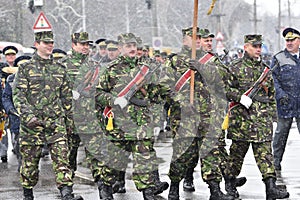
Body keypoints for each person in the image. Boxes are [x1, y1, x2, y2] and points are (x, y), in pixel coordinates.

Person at [94, 32, 168, 200]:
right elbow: (98, 94)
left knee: (144, 156)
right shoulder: (111, 70)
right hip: (119, 121)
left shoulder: (147, 69)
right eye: (128, 46)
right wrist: (113, 100)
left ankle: (148, 191)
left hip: (141, 121)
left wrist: (154, 89)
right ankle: (105, 188)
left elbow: (157, 93)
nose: (132, 49)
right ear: (120, 48)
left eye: (134, 46)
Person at [13, 30, 83, 200]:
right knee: (29, 166)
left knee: (62, 161)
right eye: (46, 43)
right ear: (37, 44)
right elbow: (18, 95)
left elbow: (67, 98)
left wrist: (71, 122)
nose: (50, 45)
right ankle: (28, 194)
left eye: (51, 42)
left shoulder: (59, 69)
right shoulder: (25, 68)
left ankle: (67, 193)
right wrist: (28, 116)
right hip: (32, 125)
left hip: (55, 123)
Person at [165, 27, 233, 200]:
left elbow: (225, 78)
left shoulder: (210, 60)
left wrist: (202, 68)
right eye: (192, 37)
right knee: (183, 154)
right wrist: (181, 101)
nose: (197, 40)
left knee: (211, 153)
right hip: (184, 117)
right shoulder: (174, 61)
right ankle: (174, 187)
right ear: (184, 40)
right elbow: (163, 86)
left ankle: (215, 189)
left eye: (199, 38)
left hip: (208, 116)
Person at [223, 34, 289, 200]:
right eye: (254, 46)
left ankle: (271, 189)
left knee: (266, 156)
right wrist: (239, 97)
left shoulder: (265, 69)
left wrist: (273, 115)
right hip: (242, 122)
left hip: (262, 121)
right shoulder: (234, 67)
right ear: (246, 47)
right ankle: (230, 185)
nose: (258, 49)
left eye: (260, 46)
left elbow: (271, 94)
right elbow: (223, 89)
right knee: (236, 156)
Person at [198, 28, 247, 193]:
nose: (209, 43)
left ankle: (228, 180)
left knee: (218, 147)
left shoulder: (214, 60)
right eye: (206, 41)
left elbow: (224, 83)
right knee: (191, 156)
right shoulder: (193, 60)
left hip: (215, 111)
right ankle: (179, 184)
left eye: (211, 41)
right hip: (198, 113)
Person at [60, 31, 99, 179]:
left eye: (87, 44)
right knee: (70, 154)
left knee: (96, 154)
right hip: (70, 118)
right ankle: (67, 188)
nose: (85, 47)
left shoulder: (95, 66)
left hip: (91, 116)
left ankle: (103, 188)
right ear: (73, 45)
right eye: (82, 44)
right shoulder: (64, 65)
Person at [271, 27, 300, 171]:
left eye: (292, 40)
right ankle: (275, 163)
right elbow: (273, 79)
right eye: (287, 40)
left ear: (299, 41)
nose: (289, 43)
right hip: (285, 102)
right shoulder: (279, 58)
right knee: (280, 135)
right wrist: (280, 94)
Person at [2, 55, 31, 170]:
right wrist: (10, 109)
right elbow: (6, 97)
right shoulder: (11, 80)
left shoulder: (37, 79)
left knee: (33, 145)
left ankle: (30, 167)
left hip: (34, 119)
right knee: (18, 143)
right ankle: (22, 163)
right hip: (17, 118)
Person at [0, 45, 18, 163]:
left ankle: (17, 149)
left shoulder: (21, 67)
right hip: (4, 103)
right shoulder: (2, 69)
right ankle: (3, 153)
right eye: (8, 55)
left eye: (12, 55)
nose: (10, 57)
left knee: (15, 129)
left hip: (16, 104)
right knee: (4, 129)